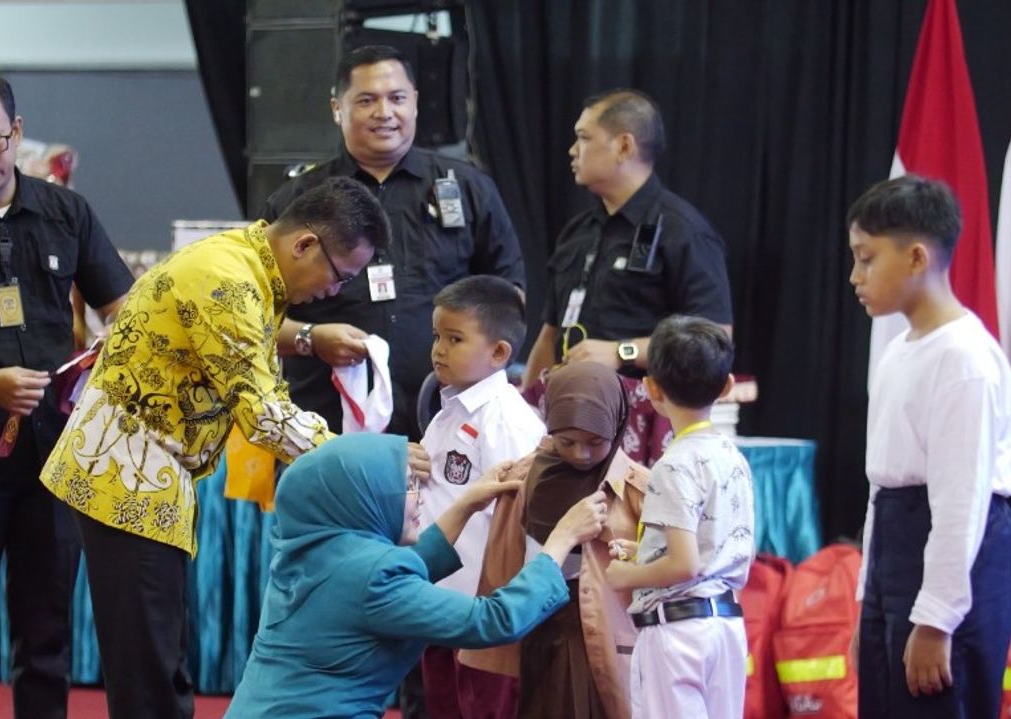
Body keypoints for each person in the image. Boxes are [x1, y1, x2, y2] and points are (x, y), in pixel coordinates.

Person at [39, 177, 420, 719]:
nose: (336, 292)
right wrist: (376, 464)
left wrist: (308, 338)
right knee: (150, 674)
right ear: (305, 245)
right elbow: (265, 415)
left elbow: (247, 334)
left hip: (144, 474)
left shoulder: (243, 260)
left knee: (160, 657)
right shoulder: (227, 281)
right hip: (124, 480)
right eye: (341, 276)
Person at [0, 66, 134, 719]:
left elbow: (123, 306)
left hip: (56, 450)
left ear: (16, 132)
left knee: (47, 623)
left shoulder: (65, 211)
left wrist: (113, 359)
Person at [224, 433, 609, 718]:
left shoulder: (314, 549)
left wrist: (468, 504)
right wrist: (561, 539)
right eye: (405, 485)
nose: (420, 494)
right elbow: (491, 621)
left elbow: (395, 572)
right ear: (361, 496)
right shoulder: (373, 575)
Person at [263, 44, 525, 442]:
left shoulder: (469, 188)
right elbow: (254, 317)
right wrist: (311, 339)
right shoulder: (296, 202)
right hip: (326, 425)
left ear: (415, 102)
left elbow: (510, 298)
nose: (384, 113)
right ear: (337, 108)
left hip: (451, 424)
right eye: (366, 100)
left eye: (396, 98)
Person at [846, 175, 1011, 718]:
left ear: (916, 257)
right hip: (896, 548)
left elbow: (961, 503)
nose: (855, 276)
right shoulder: (899, 352)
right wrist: (867, 607)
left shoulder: (964, 359)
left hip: (949, 557)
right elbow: (881, 490)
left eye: (867, 259)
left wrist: (937, 619)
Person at [461, 361, 650, 719]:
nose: (581, 453)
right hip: (532, 627)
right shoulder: (520, 479)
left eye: (596, 442)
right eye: (567, 441)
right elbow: (503, 562)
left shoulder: (639, 489)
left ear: (618, 423)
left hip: (604, 637)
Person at [522, 89, 732, 388]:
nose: (572, 150)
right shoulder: (579, 230)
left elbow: (715, 338)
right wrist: (529, 408)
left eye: (584, 137)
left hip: (644, 413)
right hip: (570, 410)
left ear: (623, 146)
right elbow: (550, 335)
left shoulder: (683, 231)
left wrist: (623, 352)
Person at [604, 315, 754, 719]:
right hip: (725, 627)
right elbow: (708, 543)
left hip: (677, 633)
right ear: (726, 387)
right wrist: (646, 550)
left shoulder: (674, 464)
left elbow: (685, 564)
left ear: (651, 388)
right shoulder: (731, 456)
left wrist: (628, 574)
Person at [418, 275, 546, 718]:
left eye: (454, 339)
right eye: (436, 336)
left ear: (499, 353)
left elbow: (521, 523)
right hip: (438, 601)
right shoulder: (446, 411)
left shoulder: (508, 421)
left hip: (481, 613)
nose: (438, 349)